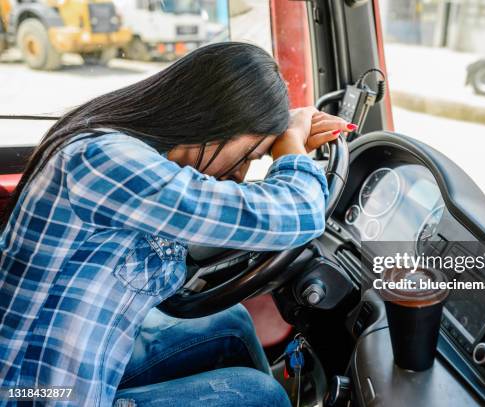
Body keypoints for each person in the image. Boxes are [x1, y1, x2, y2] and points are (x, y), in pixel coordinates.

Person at [0, 42, 355, 406]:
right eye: (250, 155)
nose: (241, 173)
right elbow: (299, 213)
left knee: (232, 324)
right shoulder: (104, 160)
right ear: (220, 120)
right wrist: (291, 141)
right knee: (258, 396)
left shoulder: (138, 157)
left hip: (68, 367)